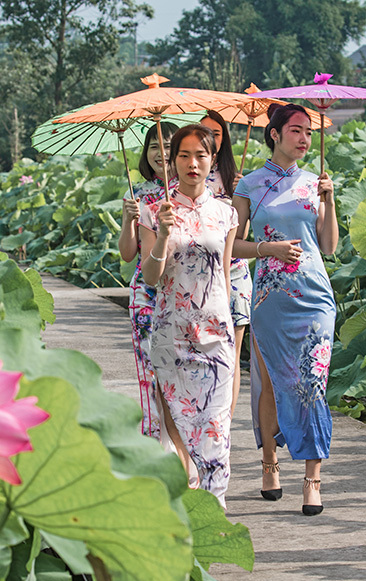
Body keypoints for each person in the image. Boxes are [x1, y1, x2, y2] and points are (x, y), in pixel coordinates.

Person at [231, 103, 338, 516]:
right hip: (270, 299)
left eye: (308, 132)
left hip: (315, 296)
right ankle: (269, 464)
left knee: (313, 383)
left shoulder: (316, 183)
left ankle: (312, 478)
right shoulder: (249, 185)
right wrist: (267, 249)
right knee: (273, 382)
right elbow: (233, 246)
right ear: (274, 134)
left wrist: (328, 202)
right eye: (295, 130)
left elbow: (328, 246)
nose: (304, 139)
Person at [139, 124, 238, 507]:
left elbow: (225, 275)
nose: (192, 163)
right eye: (184, 155)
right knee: (177, 425)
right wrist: (163, 235)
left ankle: (216, 511)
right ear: (173, 160)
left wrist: (229, 326)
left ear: (212, 159)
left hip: (215, 335)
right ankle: (182, 511)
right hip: (170, 335)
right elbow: (151, 277)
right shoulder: (154, 212)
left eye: (201, 155)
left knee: (216, 431)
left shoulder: (226, 213)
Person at [118, 122, 179, 440]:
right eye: (153, 146)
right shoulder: (138, 195)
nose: (161, 153)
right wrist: (129, 220)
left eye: (168, 146)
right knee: (149, 372)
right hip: (146, 295)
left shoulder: (192, 192)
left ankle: (186, 452)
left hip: (183, 294)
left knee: (182, 375)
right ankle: (156, 445)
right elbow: (128, 254)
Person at [199, 110, 249, 417]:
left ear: (225, 138)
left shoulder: (237, 178)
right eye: (204, 131)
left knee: (232, 356)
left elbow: (242, 235)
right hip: (199, 277)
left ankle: (224, 426)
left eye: (216, 133)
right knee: (203, 357)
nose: (211, 138)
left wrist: (240, 196)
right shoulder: (184, 175)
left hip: (235, 273)